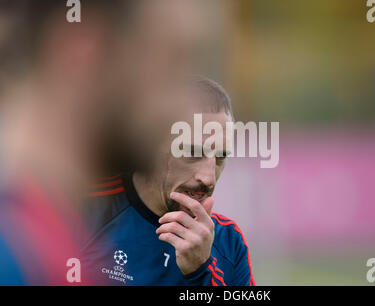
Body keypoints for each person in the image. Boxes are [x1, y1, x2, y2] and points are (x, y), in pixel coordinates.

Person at [0, 0, 207, 285]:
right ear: (81, 51)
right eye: (172, 65)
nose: (184, 111)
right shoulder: (17, 261)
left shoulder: (51, 245)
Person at [81, 77, 255, 286]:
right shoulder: (83, 212)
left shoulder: (228, 243)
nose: (208, 178)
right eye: (192, 152)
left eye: (220, 157)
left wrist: (200, 272)